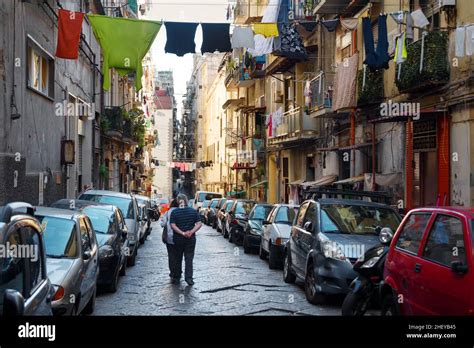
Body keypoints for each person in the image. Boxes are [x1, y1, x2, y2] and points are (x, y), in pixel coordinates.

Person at [169, 194, 202, 286]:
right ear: (186, 201)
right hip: (190, 239)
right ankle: (189, 278)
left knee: (177, 258)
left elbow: (173, 225)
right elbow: (199, 224)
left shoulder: (174, 212)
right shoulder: (193, 211)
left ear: (178, 201)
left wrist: (182, 233)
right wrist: (191, 232)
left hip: (178, 239)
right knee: (189, 259)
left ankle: (176, 277)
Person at [161, 199, 179, 282]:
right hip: (180, 236)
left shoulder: (167, 212)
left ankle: (172, 272)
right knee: (178, 256)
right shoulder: (180, 211)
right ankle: (178, 273)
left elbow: (163, 224)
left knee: (171, 255)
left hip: (169, 237)